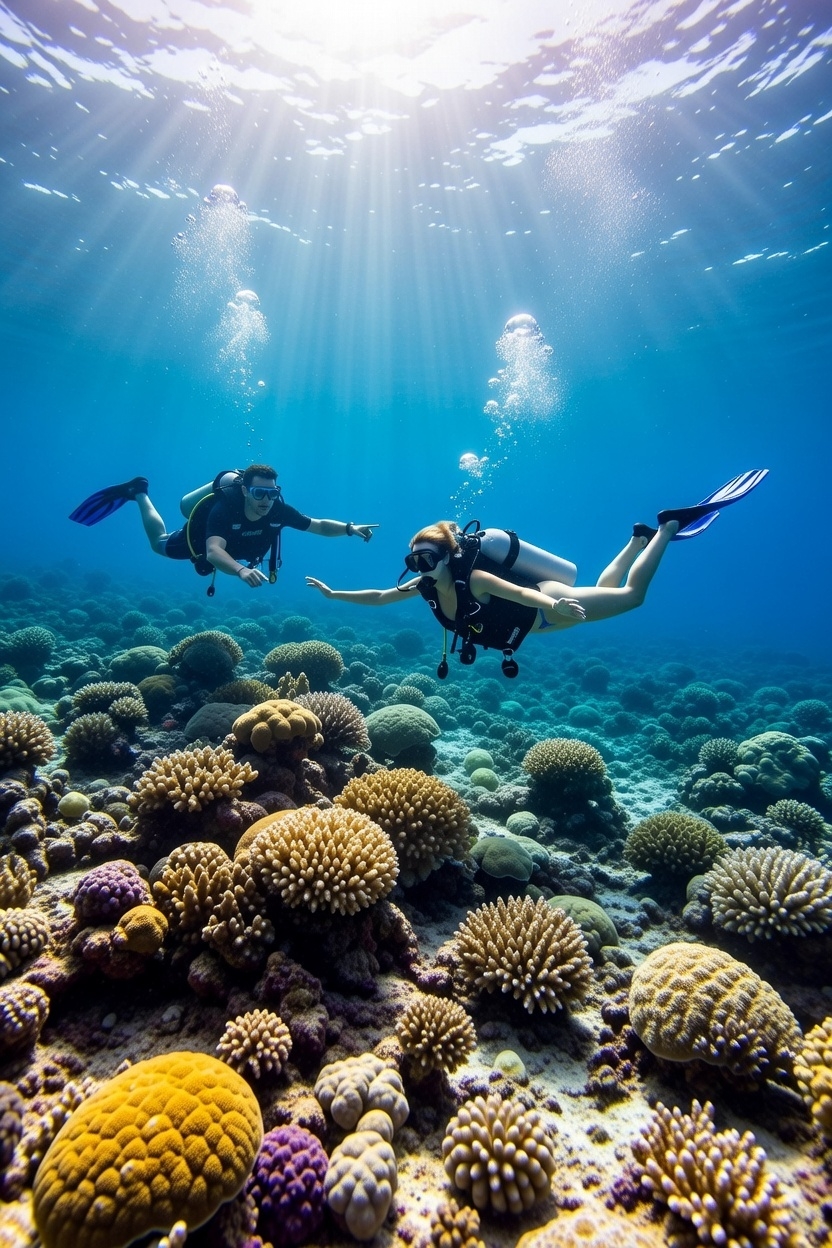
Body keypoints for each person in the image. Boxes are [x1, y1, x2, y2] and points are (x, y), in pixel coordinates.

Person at [305, 470, 768, 677]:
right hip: (544, 609)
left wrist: (555, 604)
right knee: (605, 589)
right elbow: (381, 596)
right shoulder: (425, 587)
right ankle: (638, 538)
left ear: (448, 556)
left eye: (427, 558)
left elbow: (520, 595)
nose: (420, 568)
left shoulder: (475, 580)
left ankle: (667, 527)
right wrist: (333, 594)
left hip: (544, 609)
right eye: (414, 560)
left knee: (630, 597)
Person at [70, 464, 377, 590]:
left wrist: (350, 528)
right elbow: (214, 550)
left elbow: (318, 525)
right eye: (259, 493)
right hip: (200, 537)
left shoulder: (278, 509)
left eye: (272, 493)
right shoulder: (225, 506)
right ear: (244, 490)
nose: (266, 501)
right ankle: (138, 492)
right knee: (160, 544)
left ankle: (138, 492)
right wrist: (241, 570)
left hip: (238, 550)